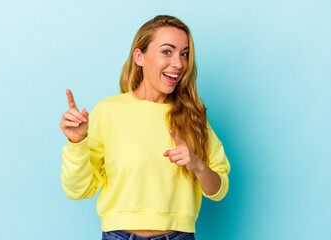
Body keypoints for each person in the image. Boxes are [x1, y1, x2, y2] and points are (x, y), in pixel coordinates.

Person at [59, 15, 231, 240]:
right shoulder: (109, 111)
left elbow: (219, 189)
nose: (178, 63)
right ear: (139, 56)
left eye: (184, 54)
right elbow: (78, 190)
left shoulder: (193, 116)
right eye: (167, 51)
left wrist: (197, 165)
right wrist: (76, 142)